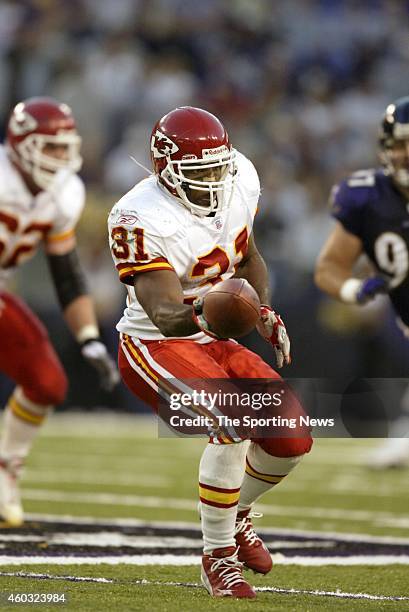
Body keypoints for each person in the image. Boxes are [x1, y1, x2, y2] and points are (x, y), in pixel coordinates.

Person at [108, 106, 313, 599]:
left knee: (292, 439)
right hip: (157, 345)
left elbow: (248, 255)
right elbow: (163, 312)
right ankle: (217, 556)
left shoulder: (239, 174)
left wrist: (261, 310)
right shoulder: (138, 216)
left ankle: (236, 515)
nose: (213, 182)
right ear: (166, 170)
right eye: (199, 174)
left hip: (212, 339)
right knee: (233, 421)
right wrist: (215, 315)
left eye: (217, 169)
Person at [0, 96, 119, 526]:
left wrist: (89, 339)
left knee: (48, 384)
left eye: (65, 146)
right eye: (51, 147)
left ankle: (5, 474)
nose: (61, 157)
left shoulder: (65, 193)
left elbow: (67, 274)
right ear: (21, 144)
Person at [315, 95, 409, 468]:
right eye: (400, 144)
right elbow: (329, 267)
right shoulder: (368, 196)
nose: (406, 154)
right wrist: (356, 290)